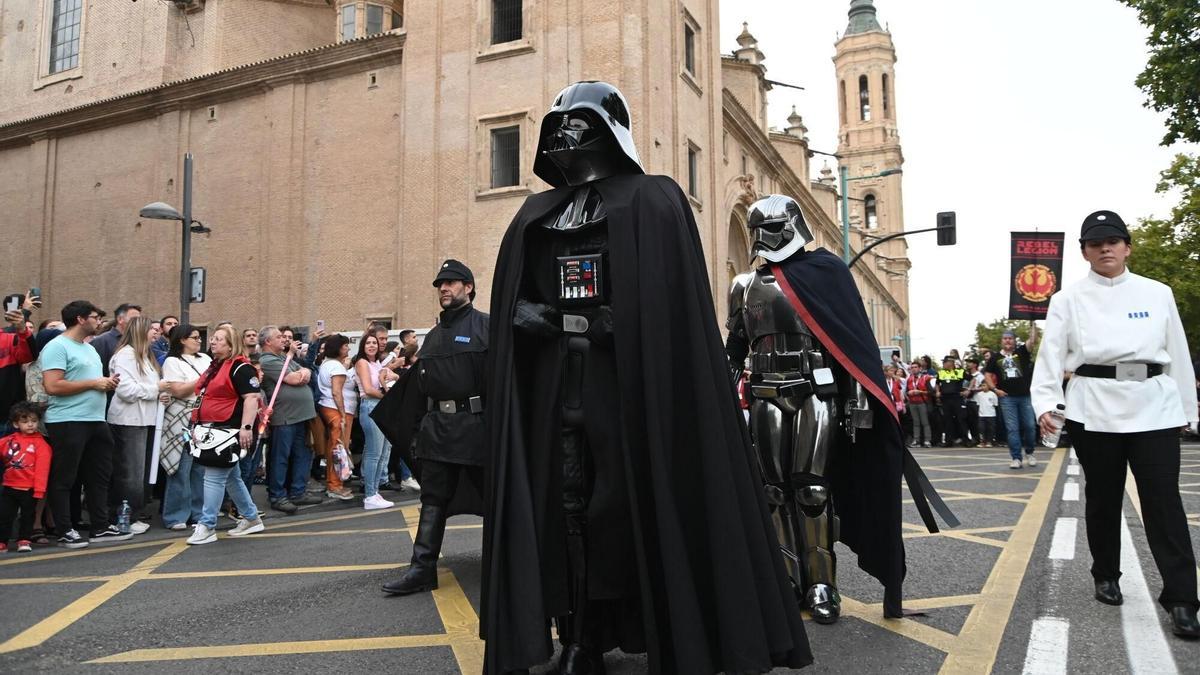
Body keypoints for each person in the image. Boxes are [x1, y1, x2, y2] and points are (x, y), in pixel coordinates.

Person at [482, 83, 811, 674]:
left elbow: (666, 308)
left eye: (581, 123)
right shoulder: (534, 215)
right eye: (561, 124)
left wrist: (609, 320)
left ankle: (671, 632)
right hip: (556, 395)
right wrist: (538, 318)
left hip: (630, 395)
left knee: (632, 510)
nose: (568, 135)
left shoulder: (654, 201)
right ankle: (581, 637)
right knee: (565, 510)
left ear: (609, 131)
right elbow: (515, 304)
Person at [1032, 209, 1199, 639]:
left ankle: (1183, 599)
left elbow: (1177, 351)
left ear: (1127, 247)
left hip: (1154, 404)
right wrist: (1046, 403)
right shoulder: (1067, 299)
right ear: (1084, 252)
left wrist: (1188, 409)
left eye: (1113, 241)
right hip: (1094, 405)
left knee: (1163, 501)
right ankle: (1105, 573)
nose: (1105, 249)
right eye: (1095, 243)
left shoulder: (1157, 292)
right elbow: (1051, 355)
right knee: (1103, 496)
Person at [379, 260, 488, 598]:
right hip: (438, 431)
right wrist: (415, 431)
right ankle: (422, 568)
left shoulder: (486, 326)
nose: (444, 287)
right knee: (432, 500)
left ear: (468, 287)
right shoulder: (434, 336)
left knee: (497, 500)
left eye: (452, 282)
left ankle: (508, 566)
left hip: (478, 430)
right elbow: (419, 388)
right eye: (440, 283)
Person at [41, 300, 130, 548]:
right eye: (95, 317)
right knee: (65, 478)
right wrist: (94, 383)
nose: (99, 322)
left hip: (96, 419)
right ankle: (64, 529)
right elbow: (52, 386)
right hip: (68, 420)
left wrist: (106, 382)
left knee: (99, 476)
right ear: (80, 319)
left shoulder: (89, 348)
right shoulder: (57, 346)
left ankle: (100, 526)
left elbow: (90, 381)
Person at [187, 325, 265, 545]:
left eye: (219, 339)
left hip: (228, 430)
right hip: (214, 429)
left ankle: (207, 525)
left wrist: (246, 428)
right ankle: (251, 518)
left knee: (214, 476)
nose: (213, 341)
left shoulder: (241, 368)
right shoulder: (217, 366)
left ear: (231, 345)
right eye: (213, 338)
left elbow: (252, 398)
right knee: (231, 477)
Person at [106, 316, 171, 534]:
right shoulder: (125, 355)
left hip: (146, 420)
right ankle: (123, 516)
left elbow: (150, 389)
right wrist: (156, 389)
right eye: (152, 329)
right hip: (128, 421)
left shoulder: (146, 356)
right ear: (140, 331)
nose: (156, 333)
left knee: (140, 473)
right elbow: (125, 390)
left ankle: (132, 513)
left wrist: (159, 395)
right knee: (130, 473)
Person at [258, 326, 323, 514]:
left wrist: (302, 373)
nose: (284, 339)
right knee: (280, 457)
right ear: (268, 342)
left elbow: (305, 371)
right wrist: (301, 374)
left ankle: (298, 491)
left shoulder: (283, 358)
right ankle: (277, 495)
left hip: (300, 416)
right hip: (284, 417)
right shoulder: (267, 360)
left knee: (302, 454)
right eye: (279, 337)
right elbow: (294, 378)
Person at [159, 325, 209, 531]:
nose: (199, 340)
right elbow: (178, 390)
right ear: (182, 340)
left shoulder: (205, 358)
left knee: (200, 468)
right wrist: (204, 379)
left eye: (199, 337)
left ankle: (198, 514)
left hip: (203, 417)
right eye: (194, 337)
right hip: (183, 419)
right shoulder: (172, 361)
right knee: (181, 467)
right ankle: (175, 515)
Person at [0, 402, 52, 552]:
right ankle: (2, 541)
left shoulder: (41, 445)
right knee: (4, 516)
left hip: (29, 489)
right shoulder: (8, 440)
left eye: (34, 421)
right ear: (16, 424)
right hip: (9, 486)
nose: (30, 424)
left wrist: (39, 490)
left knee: (28, 516)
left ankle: (24, 540)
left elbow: (43, 469)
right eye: (25, 421)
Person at [986, 326, 1039, 469]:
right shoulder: (995, 357)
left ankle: (1030, 453)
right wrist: (995, 389)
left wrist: (1033, 322)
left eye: (1010, 338)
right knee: (1012, 428)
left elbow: (1033, 340)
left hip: (1025, 396)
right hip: (1007, 398)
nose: (1007, 341)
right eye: (1005, 338)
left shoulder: (1021, 351)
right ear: (1001, 341)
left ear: (1014, 341)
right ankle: (1016, 458)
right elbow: (987, 375)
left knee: (1030, 426)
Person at [353, 334, 394, 510]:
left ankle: (375, 492)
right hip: (370, 405)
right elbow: (369, 389)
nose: (372, 345)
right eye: (368, 343)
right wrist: (388, 397)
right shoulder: (362, 362)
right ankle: (370, 495)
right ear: (362, 346)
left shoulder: (377, 363)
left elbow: (392, 377)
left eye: (374, 343)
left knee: (383, 453)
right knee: (374, 453)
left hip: (380, 407)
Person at [315, 334, 355, 501]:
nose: (348, 348)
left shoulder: (327, 364)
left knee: (335, 447)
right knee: (338, 449)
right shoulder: (336, 367)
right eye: (345, 346)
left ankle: (335, 483)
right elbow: (336, 392)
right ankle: (334, 485)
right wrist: (343, 414)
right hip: (335, 409)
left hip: (328, 407)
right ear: (338, 348)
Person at [0, 293, 37, 436]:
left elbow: (29, 356)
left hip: (8, 415)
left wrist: (22, 328)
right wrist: (25, 312)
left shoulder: (7, 337)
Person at [89, 303, 141, 379]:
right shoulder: (102, 341)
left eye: (139, 320)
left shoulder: (138, 342)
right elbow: (96, 372)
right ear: (120, 319)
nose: (138, 323)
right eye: (134, 319)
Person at [935, 356, 968, 447]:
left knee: (961, 419)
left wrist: (968, 389)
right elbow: (937, 383)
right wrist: (937, 391)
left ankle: (965, 440)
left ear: (950, 363)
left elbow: (972, 378)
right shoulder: (941, 372)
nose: (943, 364)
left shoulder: (960, 371)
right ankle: (948, 441)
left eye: (945, 362)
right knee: (947, 420)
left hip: (957, 398)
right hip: (945, 399)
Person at [905, 361, 934, 447]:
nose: (913, 369)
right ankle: (916, 440)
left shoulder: (926, 378)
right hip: (912, 403)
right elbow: (906, 391)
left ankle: (927, 440)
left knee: (925, 422)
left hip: (923, 402)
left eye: (915, 367)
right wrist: (909, 392)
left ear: (920, 368)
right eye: (912, 367)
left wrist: (920, 392)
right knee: (916, 422)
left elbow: (931, 392)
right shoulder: (909, 379)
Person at [976, 380, 998, 448]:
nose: (983, 387)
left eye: (985, 385)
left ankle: (989, 441)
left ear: (989, 386)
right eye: (982, 385)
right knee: (981, 428)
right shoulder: (979, 394)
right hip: (982, 414)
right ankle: (982, 441)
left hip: (991, 414)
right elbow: (978, 404)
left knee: (990, 428)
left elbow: (995, 404)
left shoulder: (992, 394)